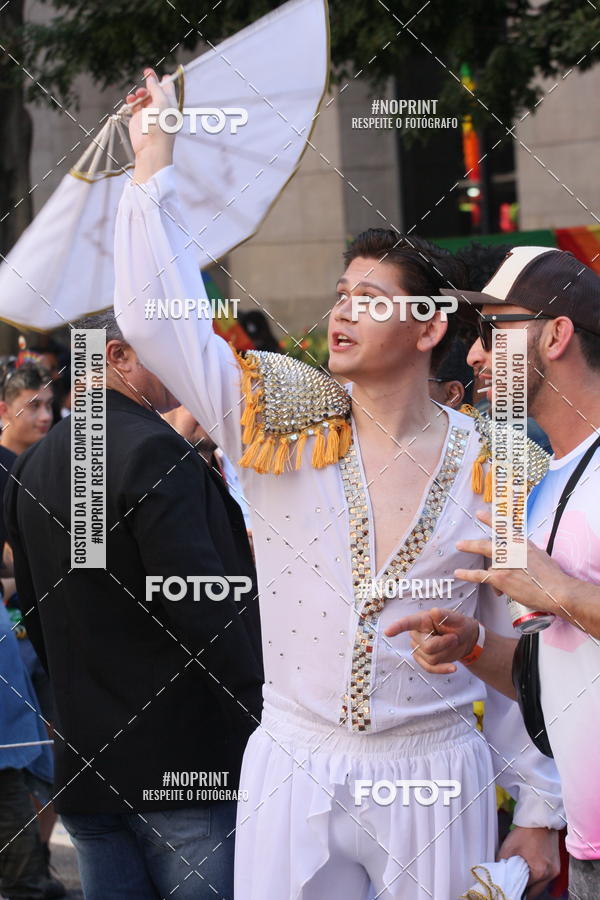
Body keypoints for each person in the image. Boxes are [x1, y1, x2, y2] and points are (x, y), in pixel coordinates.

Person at [111, 69, 565, 899]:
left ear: (430, 326)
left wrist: (537, 806)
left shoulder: (501, 465)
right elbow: (151, 318)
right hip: (293, 756)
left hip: (432, 768)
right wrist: (154, 159)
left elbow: (519, 645)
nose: (342, 314)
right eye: (340, 296)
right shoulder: (276, 414)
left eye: (370, 298)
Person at [4, 310, 263, 899]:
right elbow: (206, 609)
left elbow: (43, 616)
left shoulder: (36, 463)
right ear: (118, 356)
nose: (183, 362)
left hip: (91, 758)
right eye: (165, 348)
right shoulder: (153, 450)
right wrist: (261, 717)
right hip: (181, 764)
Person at [385, 246, 600, 899]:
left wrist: (559, 591)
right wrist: (473, 648)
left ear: (556, 334)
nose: (475, 356)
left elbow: (561, 600)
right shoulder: (547, 480)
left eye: (492, 332)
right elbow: (555, 676)